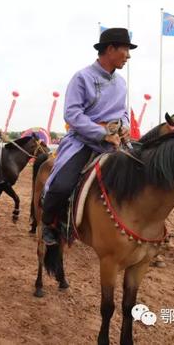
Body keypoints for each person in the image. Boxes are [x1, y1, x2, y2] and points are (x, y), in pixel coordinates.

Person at [41, 28, 135, 246]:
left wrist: (126, 127)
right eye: (126, 50)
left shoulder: (121, 83)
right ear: (110, 49)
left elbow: (123, 112)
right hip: (83, 142)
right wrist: (103, 134)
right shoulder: (82, 77)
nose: (128, 56)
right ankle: (50, 223)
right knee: (61, 185)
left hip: (117, 142)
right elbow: (72, 114)